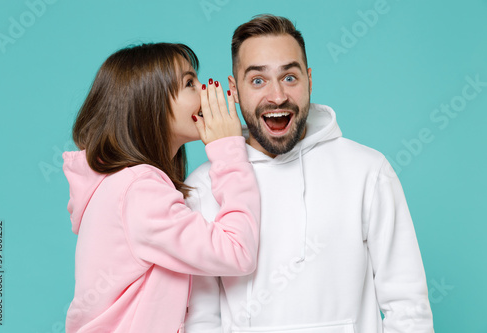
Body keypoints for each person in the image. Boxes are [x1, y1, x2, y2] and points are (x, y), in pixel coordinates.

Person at [184, 15, 434, 332]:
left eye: (289, 78)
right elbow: (201, 318)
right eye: (258, 80)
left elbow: (408, 306)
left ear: (309, 80)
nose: (277, 96)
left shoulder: (368, 171)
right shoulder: (204, 186)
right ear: (234, 89)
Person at [62, 43, 261, 333]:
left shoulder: (120, 185)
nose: (206, 92)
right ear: (150, 103)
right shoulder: (139, 191)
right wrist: (229, 151)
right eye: (190, 83)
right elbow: (237, 252)